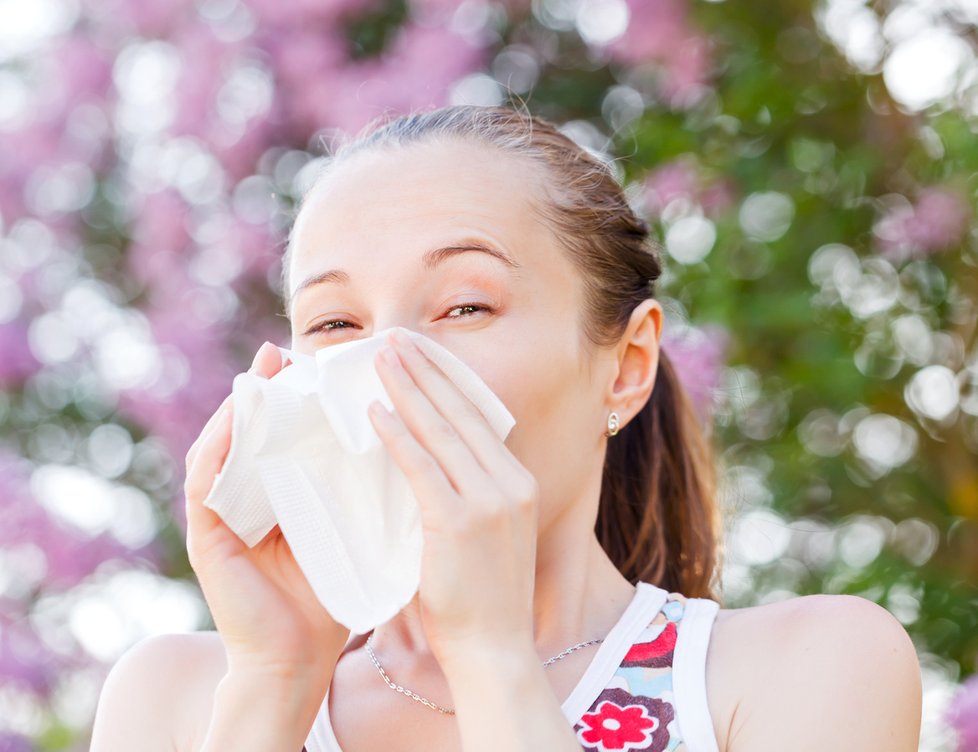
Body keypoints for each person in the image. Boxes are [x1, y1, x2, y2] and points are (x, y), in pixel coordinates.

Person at [89, 104, 922, 751]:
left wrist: (491, 658)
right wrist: (274, 681)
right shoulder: (178, 698)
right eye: (336, 325)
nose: (386, 364)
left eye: (464, 305)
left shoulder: (797, 670)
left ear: (626, 366)